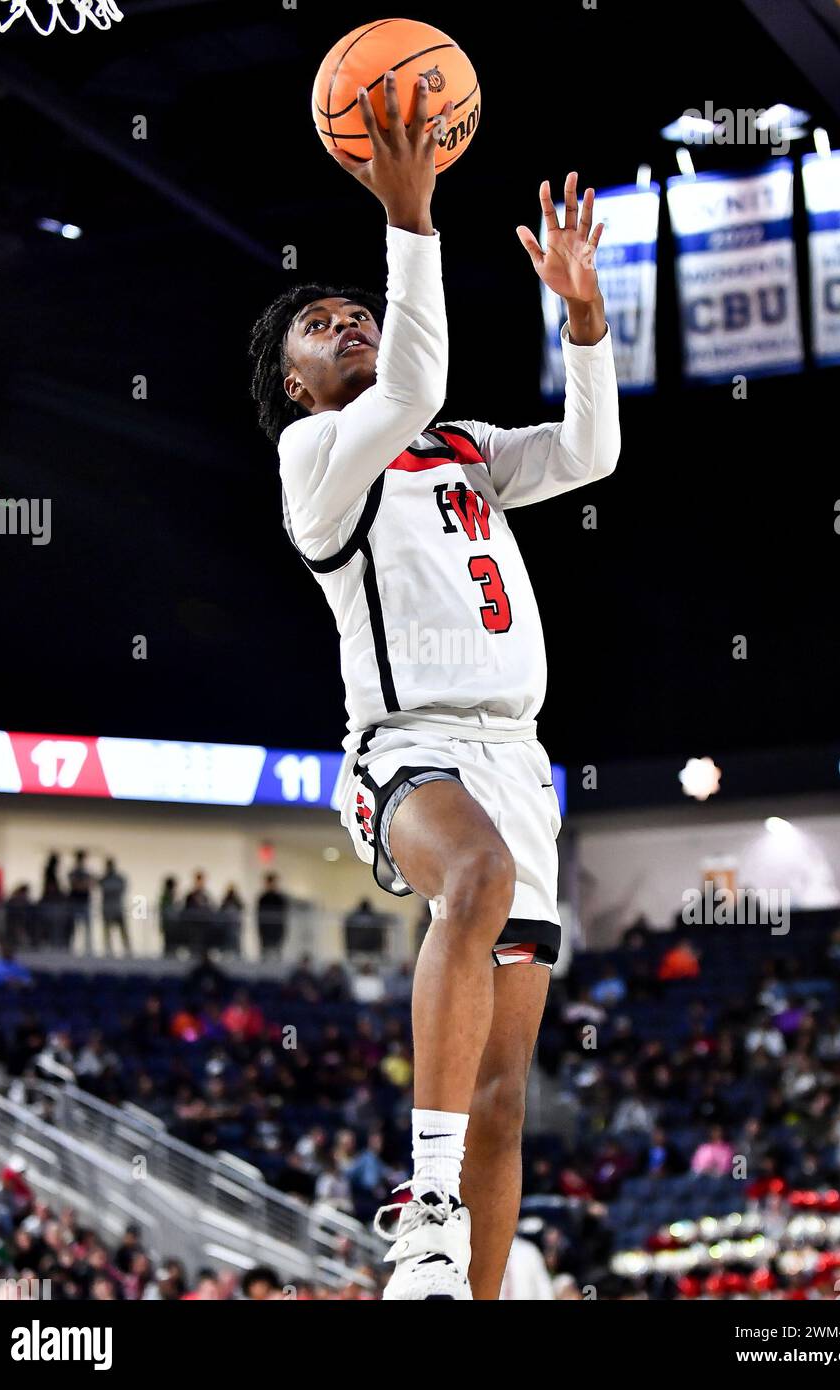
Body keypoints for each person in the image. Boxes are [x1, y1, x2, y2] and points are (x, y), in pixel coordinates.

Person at [248, 75, 619, 1300]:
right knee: (475, 874)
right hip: (403, 746)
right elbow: (405, 383)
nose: (349, 324)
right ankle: (424, 1208)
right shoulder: (316, 458)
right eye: (324, 327)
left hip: (519, 758)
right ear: (297, 385)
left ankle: (477, 1292)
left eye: (359, 311)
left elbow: (587, 452)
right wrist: (411, 214)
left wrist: (582, 322)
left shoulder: (456, 445)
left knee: (510, 1098)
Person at [67, 850, 95, 953]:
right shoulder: (73, 872)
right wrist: (83, 885)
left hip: (85, 902)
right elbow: (76, 885)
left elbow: (90, 885)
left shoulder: (87, 873)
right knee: (73, 927)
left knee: (87, 927)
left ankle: (88, 949)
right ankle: (71, 948)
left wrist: (83, 885)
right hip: (75, 902)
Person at [100, 858, 130, 956]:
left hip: (117, 908)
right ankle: (108, 951)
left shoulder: (119, 878)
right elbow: (103, 887)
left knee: (123, 930)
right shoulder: (104, 878)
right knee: (107, 931)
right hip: (107, 909)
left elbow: (121, 889)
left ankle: (128, 950)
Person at [256, 872, 288, 956]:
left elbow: (283, 913)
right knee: (265, 950)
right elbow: (260, 914)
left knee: (277, 949)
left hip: (277, 928)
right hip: (266, 928)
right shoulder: (263, 898)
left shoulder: (280, 898)